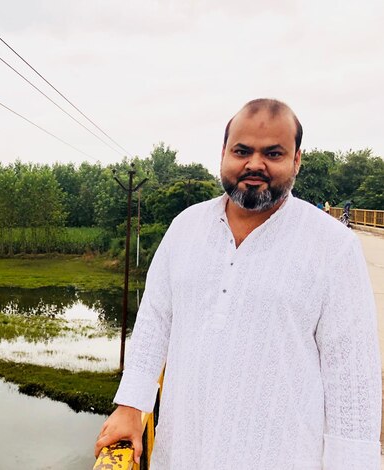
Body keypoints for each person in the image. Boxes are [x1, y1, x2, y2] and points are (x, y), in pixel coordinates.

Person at [95, 99, 381, 469]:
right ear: (223, 154)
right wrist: (131, 407)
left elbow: (352, 377)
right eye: (242, 151)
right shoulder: (186, 227)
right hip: (182, 452)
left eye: (273, 153)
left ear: (296, 160)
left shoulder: (332, 245)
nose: (255, 164)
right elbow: (155, 323)